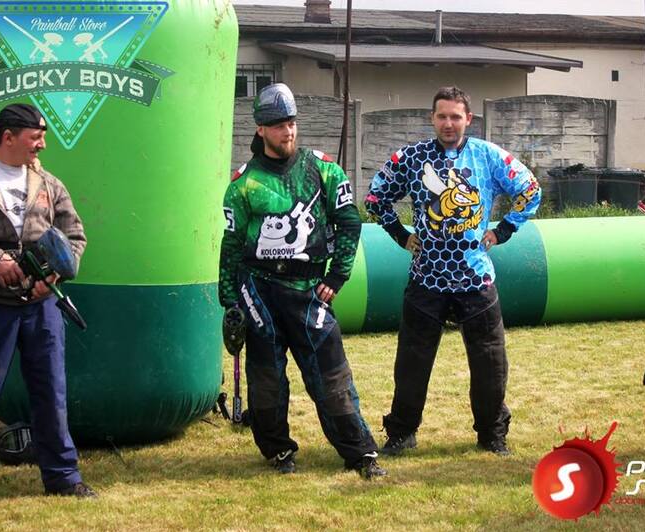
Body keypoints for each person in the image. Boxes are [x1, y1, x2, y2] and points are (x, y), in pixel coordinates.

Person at [218, 83, 385, 479]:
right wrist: (230, 300)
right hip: (258, 288)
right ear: (261, 129)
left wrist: (338, 276)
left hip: (309, 290)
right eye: (278, 125)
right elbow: (232, 244)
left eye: (291, 122)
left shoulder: (324, 170)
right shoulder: (242, 184)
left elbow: (349, 223)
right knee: (266, 378)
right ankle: (277, 451)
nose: (288, 131)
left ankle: (360, 453)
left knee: (331, 374)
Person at [365, 86, 541, 456]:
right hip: (426, 278)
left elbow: (530, 189)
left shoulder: (488, 156)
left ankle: (491, 435)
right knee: (411, 363)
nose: (449, 123)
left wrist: (503, 230)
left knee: (490, 363)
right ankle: (401, 433)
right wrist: (400, 235)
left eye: (455, 117)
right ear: (432, 118)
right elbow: (375, 196)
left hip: (475, 278)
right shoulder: (411, 157)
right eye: (442, 116)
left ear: (468, 119)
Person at [0, 103, 94, 502]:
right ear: (8, 137)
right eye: (35, 137)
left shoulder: (49, 184)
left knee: (51, 391)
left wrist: (53, 277)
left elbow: (75, 236)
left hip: (42, 306)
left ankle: (63, 477)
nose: (42, 145)